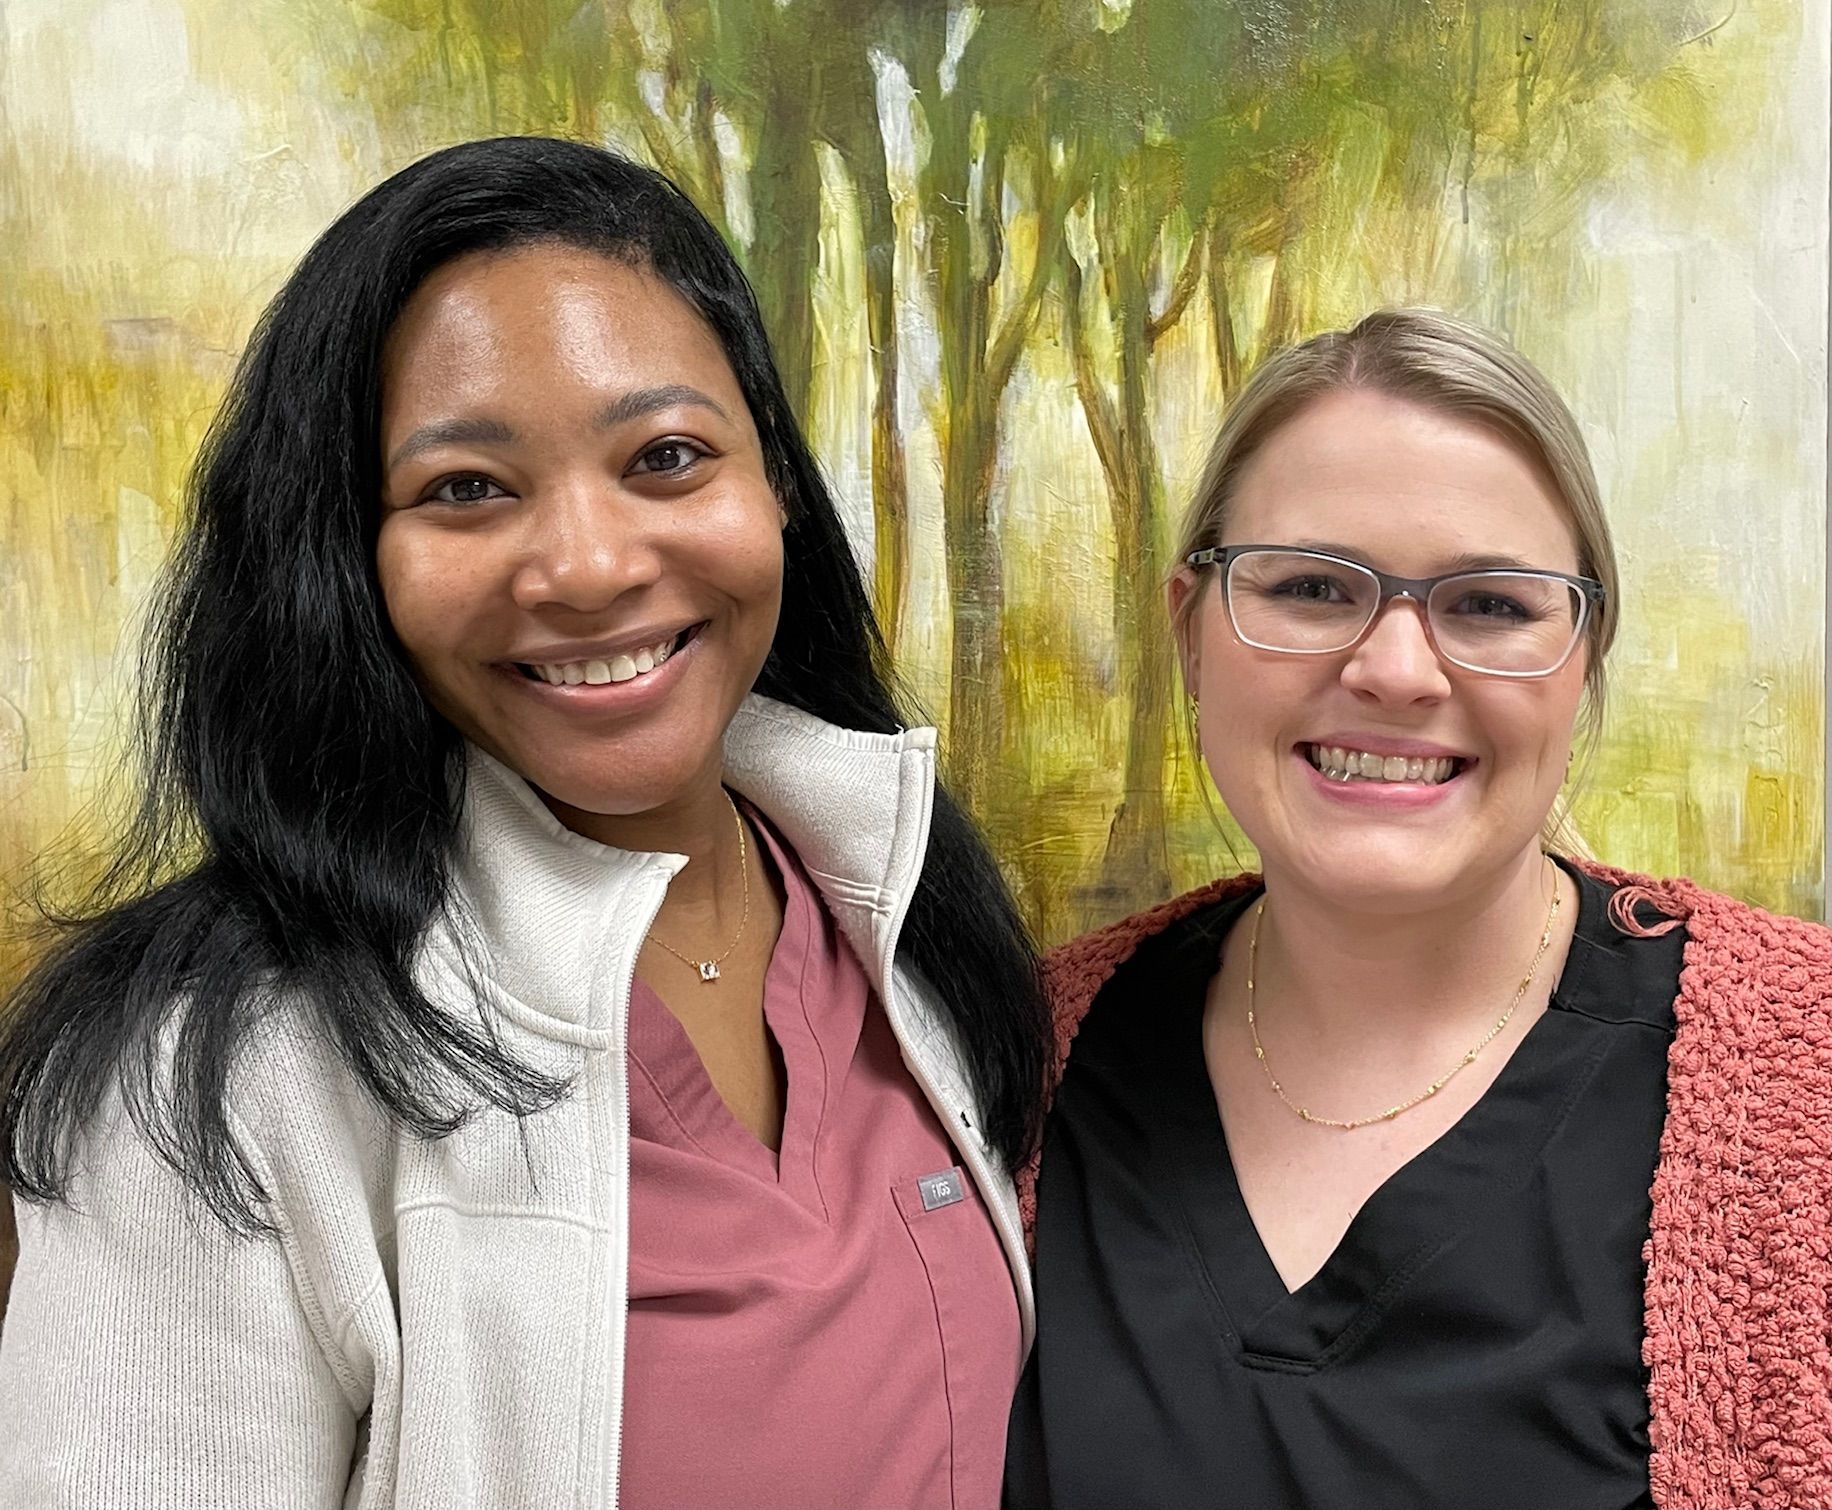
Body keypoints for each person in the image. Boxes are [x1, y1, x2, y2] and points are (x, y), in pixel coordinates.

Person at [0, 135, 1050, 1509]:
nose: (589, 566)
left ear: (775, 482)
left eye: (666, 456)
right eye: (466, 489)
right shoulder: (215, 1074)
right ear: (346, 552)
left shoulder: (892, 907)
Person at [1005, 308, 1832, 1510]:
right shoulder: (1008, 1071)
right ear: (1188, 627)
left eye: (1488, 604)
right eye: (1308, 586)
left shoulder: (1803, 1080)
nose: (1394, 671)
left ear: (1582, 654)